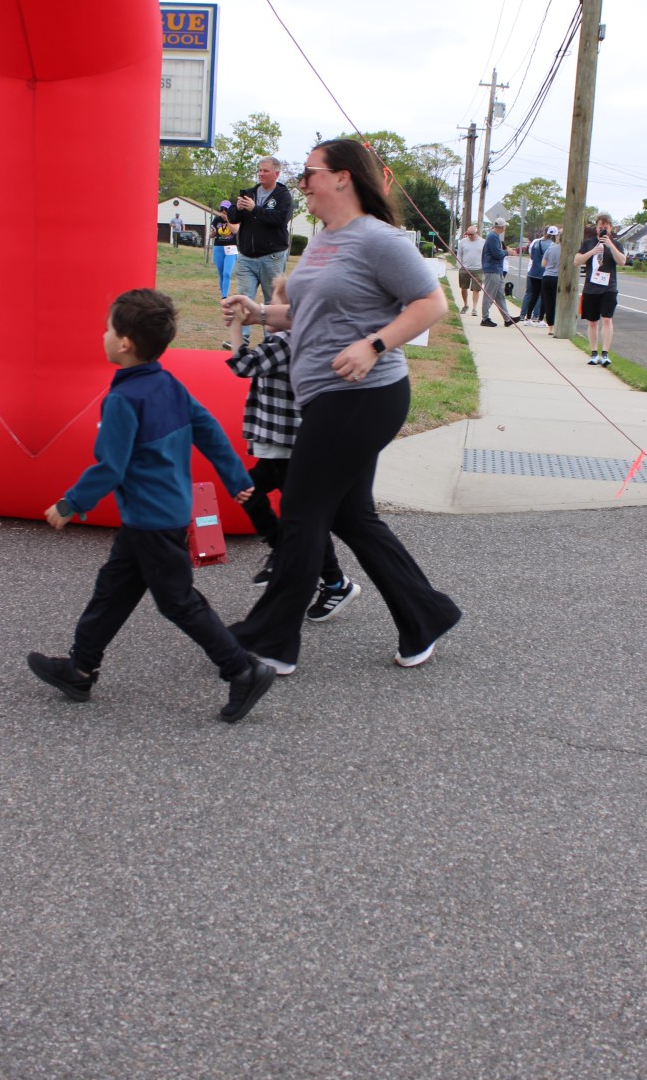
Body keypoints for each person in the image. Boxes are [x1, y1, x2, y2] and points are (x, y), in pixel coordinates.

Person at [221, 138, 461, 674]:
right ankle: (425, 617)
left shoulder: (379, 239)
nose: (301, 182)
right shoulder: (324, 238)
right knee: (352, 516)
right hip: (328, 396)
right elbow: (307, 312)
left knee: (302, 511)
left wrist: (375, 344)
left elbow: (432, 304)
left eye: (309, 172)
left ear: (343, 177)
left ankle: (270, 641)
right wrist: (258, 312)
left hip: (362, 396)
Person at [26, 288, 277, 724]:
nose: (103, 335)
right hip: (159, 515)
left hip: (152, 522)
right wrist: (237, 478)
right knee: (112, 592)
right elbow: (209, 429)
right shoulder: (168, 385)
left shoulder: (122, 400)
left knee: (178, 602)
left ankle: (243, 670)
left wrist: (71, 503)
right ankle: (80, 670)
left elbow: (111, 466)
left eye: (108, 329)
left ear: (124, 343)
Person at [225, 280, 359, 620]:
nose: (265, 311)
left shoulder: (286, 341)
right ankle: (292, 556)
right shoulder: (289, 339)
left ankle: (332, 580)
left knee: (292, 514)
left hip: (286, 446)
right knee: (279, 507)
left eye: (272, 304)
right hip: (281, 445)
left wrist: (236, 327)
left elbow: (244, 366)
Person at [232, 156, 292, 344]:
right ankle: (242, 341)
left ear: (276, 174)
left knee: (271, 301)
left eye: (265, 171)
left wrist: (255, 209)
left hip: (271, 257)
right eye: (259, 170)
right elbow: (233, 218)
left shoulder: (283, 196)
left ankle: (271, 342)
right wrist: (238, 208)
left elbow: (281, 219)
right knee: (244, 297)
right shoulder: (250, 193)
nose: (261, 174)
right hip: (246, 257)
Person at [575, 212, 625, 365]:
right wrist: (592, 252)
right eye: (600, 226)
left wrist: (610, 245)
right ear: (596, 228)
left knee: (607, 319)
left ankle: (605, 353)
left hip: (609, 288)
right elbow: (576, 261)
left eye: (606, 227)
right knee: (592, 321)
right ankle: (594, 353)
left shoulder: (616, 244)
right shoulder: (588, 243)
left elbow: (622, 261)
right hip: (591, 288)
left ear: (610, 228)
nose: (602, 229)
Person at [480, 220, 518, 327]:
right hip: (492, 269)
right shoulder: (492, 237)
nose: (505, 228)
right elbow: (496, 253)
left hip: (497, 270)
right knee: (489, 295)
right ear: (501, 227)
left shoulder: (495, 237)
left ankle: (507, 319)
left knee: (500, 295)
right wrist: (507, 252)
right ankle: (485, 318)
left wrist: (505, 252)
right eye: (504, 226)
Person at [210, 201, 239, 299]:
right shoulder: (216, 220)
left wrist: (227, 220)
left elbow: (235, 230)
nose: (223, 211)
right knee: (221, 273)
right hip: (219, 247)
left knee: (227, 273)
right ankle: (223, 296)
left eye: (226, 209)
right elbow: (211, 235)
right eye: (222, 209)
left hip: (231, 248)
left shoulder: (235, 218)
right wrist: (213, 233)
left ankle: (224, 296)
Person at [520, 231, 549, 324]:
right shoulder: (550, 244)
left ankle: (524, 315)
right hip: (543, 272)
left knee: (530, 294)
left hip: (531, 271)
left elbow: (531, 256)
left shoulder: (536, 242)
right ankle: (536, 316)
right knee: (540, 296)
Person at [456, 224, 484, 315]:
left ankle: (474, 309)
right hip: (464, 268)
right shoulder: (463, 242)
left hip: (478, 269)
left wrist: (483, 266)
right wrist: (460, 266)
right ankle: (465, 305)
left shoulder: (482, 242)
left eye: (471, 234)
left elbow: (485, 255)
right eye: (468, 234)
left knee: (476, 289)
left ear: (476, 233)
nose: (470, 236)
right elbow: (459, 254)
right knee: (464, 288)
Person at [540, 226, 561, 335]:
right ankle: (557, 325)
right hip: (558, 277)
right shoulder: (566, 251)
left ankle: (550, 328)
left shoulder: (550, 248)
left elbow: (543, 264)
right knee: (557, 302)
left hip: (547, 276)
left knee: (548, 302)